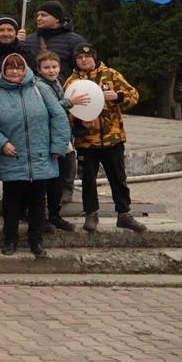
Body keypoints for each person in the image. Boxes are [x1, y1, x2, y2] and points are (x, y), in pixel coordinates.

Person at [0, 53, 71, 257]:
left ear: (26, 70)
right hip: (12, 157)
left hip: (41, 157)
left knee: (38, 202)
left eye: (19, 67)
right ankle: (10, 240)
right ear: (4, 71)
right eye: (10, 67)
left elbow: (59, 117)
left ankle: (36, 241)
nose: (15, 71)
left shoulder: (41, 89)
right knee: (11, 202)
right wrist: (1, 143)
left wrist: (57, 147)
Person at [64, 43, 142, 233]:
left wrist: (118, 96)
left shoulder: (111, 75)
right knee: (88, 179)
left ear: (94, 57)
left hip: (112, 138)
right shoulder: (72, 81)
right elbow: (65, 109)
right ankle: (91, 213)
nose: (84, 60)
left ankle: (124, 214)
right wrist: (79, 122)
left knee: (118, 178)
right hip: (87, 141)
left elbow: (134, 96)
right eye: (80, 58)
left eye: (87, 57)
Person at [0, 17, 38, 222]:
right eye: (1, 29)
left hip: (20, 110)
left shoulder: (26, 52)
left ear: (15, 32)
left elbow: (32, 78)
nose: (5, 33)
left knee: (18, 160)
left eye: (9, 29)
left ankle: (19, 204)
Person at [35, 50, 78, 231]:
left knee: (58, 179)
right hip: (48, 138)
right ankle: (45, 216)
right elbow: (48, 109)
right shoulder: (39, 86)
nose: (51, 70)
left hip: (61, 136)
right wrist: (69, 102)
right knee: (49, 181)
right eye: (47, 67)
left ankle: (54, 214)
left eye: (54, 67)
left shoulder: (57, 83)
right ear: (39, 69)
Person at [23, 0, 88, 75]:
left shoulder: (75, 41)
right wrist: (18, 42)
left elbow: (84, 68)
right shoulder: (28, 40)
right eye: (38, 15)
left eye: (43, 15)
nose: (38, 18)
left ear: (57, 19)